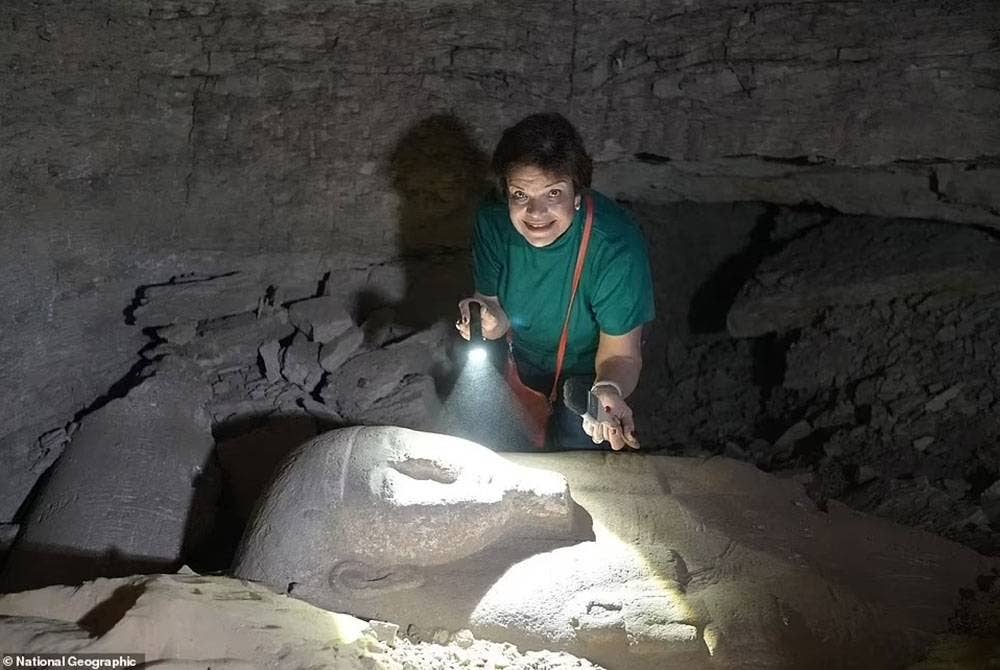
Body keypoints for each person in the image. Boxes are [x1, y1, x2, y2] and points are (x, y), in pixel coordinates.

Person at [456, 112, 654, 451]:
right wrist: (485, 317)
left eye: (553, 194)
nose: (535, 212)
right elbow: (494, 309)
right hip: (527, 357)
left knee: (577, 442)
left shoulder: (614, 248)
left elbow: (621, 356)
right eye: (520, 194)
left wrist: (607, 390)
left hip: (591, 372)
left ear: (577, 194)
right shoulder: (493, 219)